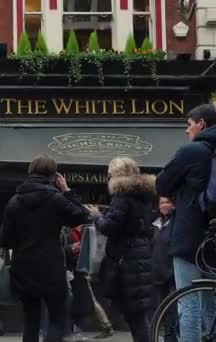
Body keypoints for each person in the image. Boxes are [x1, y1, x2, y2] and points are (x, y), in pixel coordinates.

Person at [1, 155, 88, 342]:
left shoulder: (14, 201)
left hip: (23, 266)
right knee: (58, 318)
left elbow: (6, 240)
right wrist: (66, 190)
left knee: (30, 321)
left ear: (30, 172)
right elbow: (81, 215)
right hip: (51, 266)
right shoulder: (55, 198)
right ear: (54, 175)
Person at [156, 103, 216, 342]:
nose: (186, 130)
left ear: (201, 124)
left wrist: (179, 194)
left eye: (188, 124)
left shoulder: (192, 151)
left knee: (188, 300)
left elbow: (162, 184)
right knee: (212, 301)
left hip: (191, 235)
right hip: (214, 236)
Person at [88, 158, 154, 342]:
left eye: (109, 174)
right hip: (140, 254)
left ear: (117, 175)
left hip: (127, 258)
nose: (108, 177)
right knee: (137, 314)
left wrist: (96, 215)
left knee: (136, 317)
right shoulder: (143, 196)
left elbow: (110, 227)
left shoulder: (121, 196)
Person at [151, 197, 177, 342]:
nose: (165, 205)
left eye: (168, 202)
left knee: (173, 313)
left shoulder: (175, 224)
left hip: (171, 275)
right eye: (162, 202)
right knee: (163, 312)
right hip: (158, 275)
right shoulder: (156, 224)